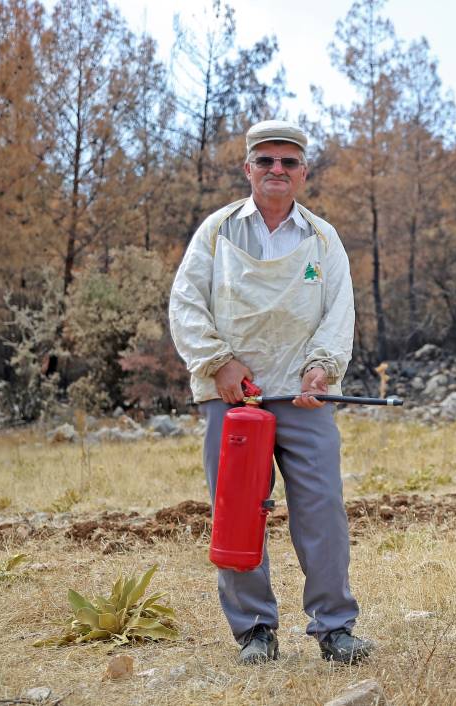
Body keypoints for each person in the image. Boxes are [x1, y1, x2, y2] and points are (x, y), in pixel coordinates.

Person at [169, 119, 372, 665]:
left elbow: (339, 313)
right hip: (233, 399)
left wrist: (321, 370)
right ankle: (255, 631)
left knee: (322, 509)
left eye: (288, 162)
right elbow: (186, 303)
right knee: (237, 511)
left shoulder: (322, 238)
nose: (276, 170)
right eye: (266, 161)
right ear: (248, 169)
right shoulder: (217, 231)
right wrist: (218, 363)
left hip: (303, 397)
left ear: (303, 172)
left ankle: (334, 628)